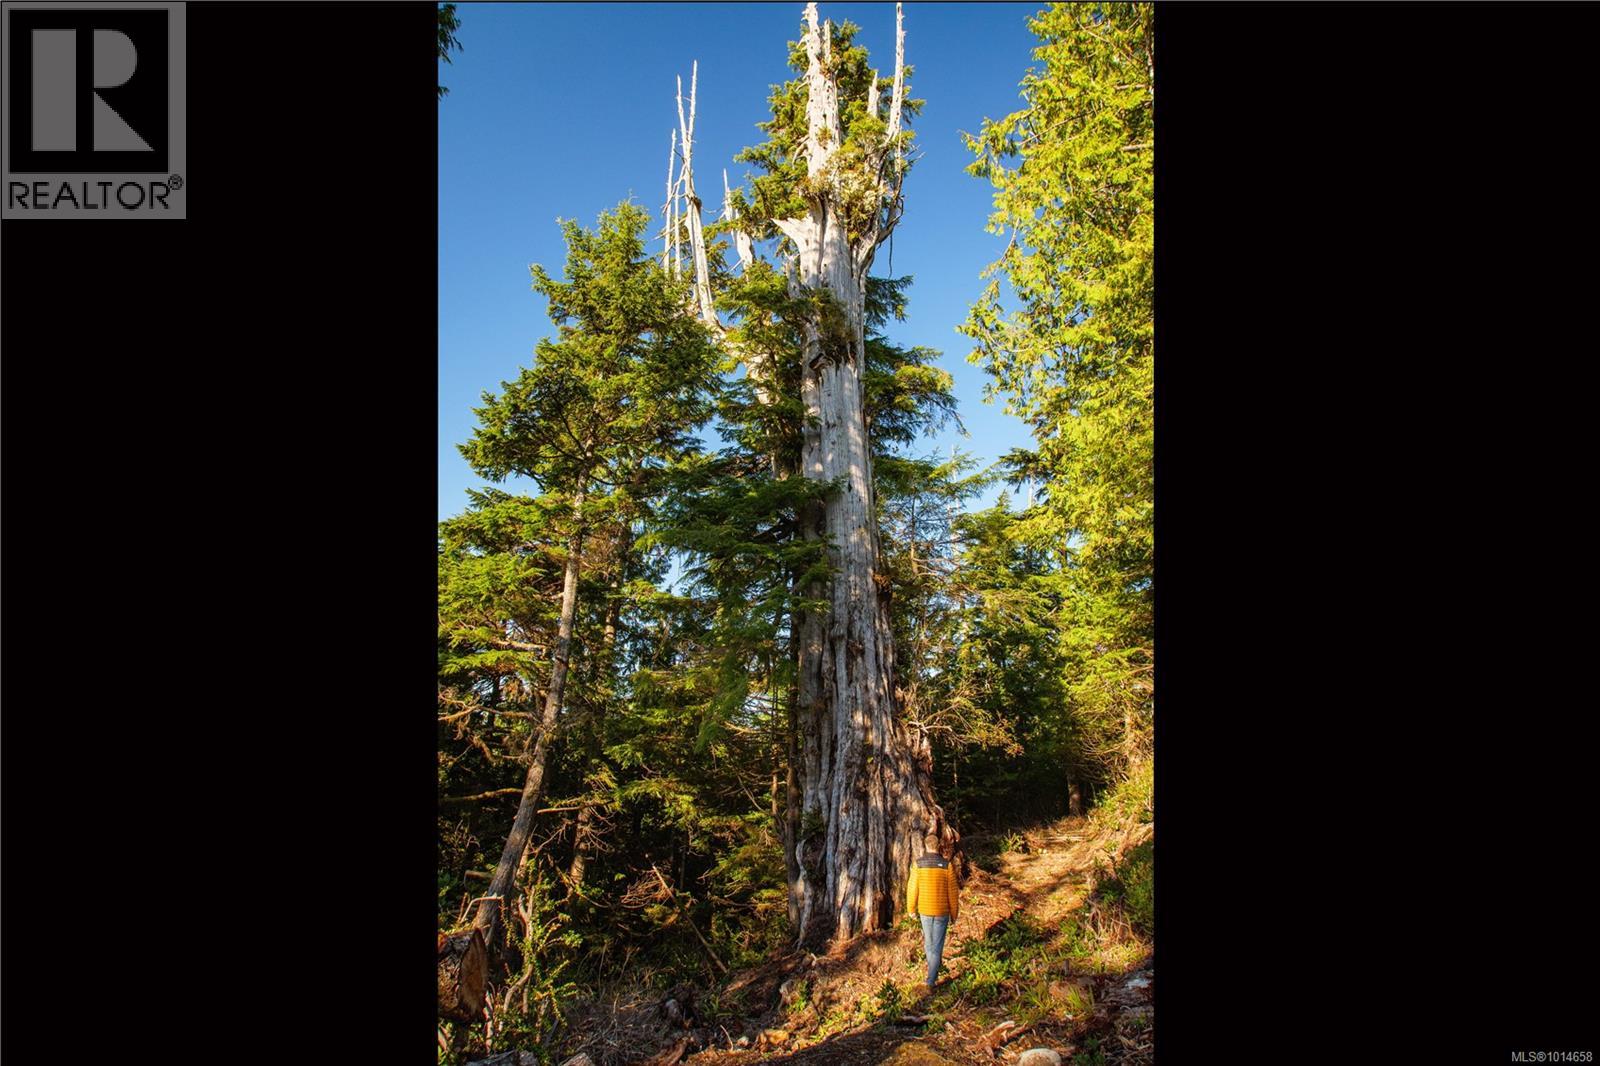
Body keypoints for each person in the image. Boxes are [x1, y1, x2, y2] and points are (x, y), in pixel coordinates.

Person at [905, 831, 959, 988]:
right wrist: (954, 914)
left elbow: (912, 888)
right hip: (942, 911)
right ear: (938, 846)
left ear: (926, 846)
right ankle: (932, 978)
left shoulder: (918, 865)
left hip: (925, 910)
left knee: (929, 944)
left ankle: (931, 978)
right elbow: (953, 892)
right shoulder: (946, 866)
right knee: (937, 945)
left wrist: (911, 909)